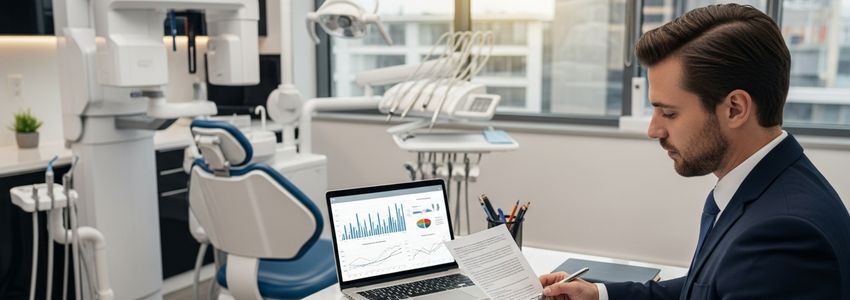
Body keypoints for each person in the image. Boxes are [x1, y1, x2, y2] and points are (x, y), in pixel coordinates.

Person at [539, 3, 850, 300]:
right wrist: (600, 295)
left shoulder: (783, 236)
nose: (654, 130)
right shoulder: (766, 186)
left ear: (734, 108)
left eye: (669, 113)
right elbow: (711, 285)